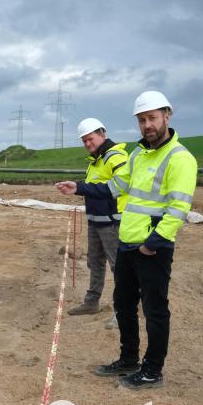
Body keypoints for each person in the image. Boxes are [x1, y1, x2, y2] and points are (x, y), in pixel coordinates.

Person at [55, 91, 197, 389]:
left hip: (151, 248)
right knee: (123, 303)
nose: (147, 125)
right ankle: (129, 360)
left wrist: (153, 243)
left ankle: (152, 372)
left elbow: (178, 209)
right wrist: (78, 187)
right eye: (142, 119)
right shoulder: (137, 155)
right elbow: (116, 186)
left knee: (155, 310)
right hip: (127, 243)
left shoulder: (180, 158)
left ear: (166, 116)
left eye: (152, 118)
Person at [66, 118, 128, 333]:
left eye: (90, 139)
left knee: (118, 268)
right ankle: (91, 302)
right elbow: (94, 187)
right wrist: (79, 187)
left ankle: (123, 312)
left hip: (112, 222)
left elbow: (118, 187)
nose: (87, 144)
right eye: (84, 141)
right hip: (95, 221)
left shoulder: (116, 156)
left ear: (102, 133)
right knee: (95, 263)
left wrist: (80, 188)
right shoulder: (96, 160)